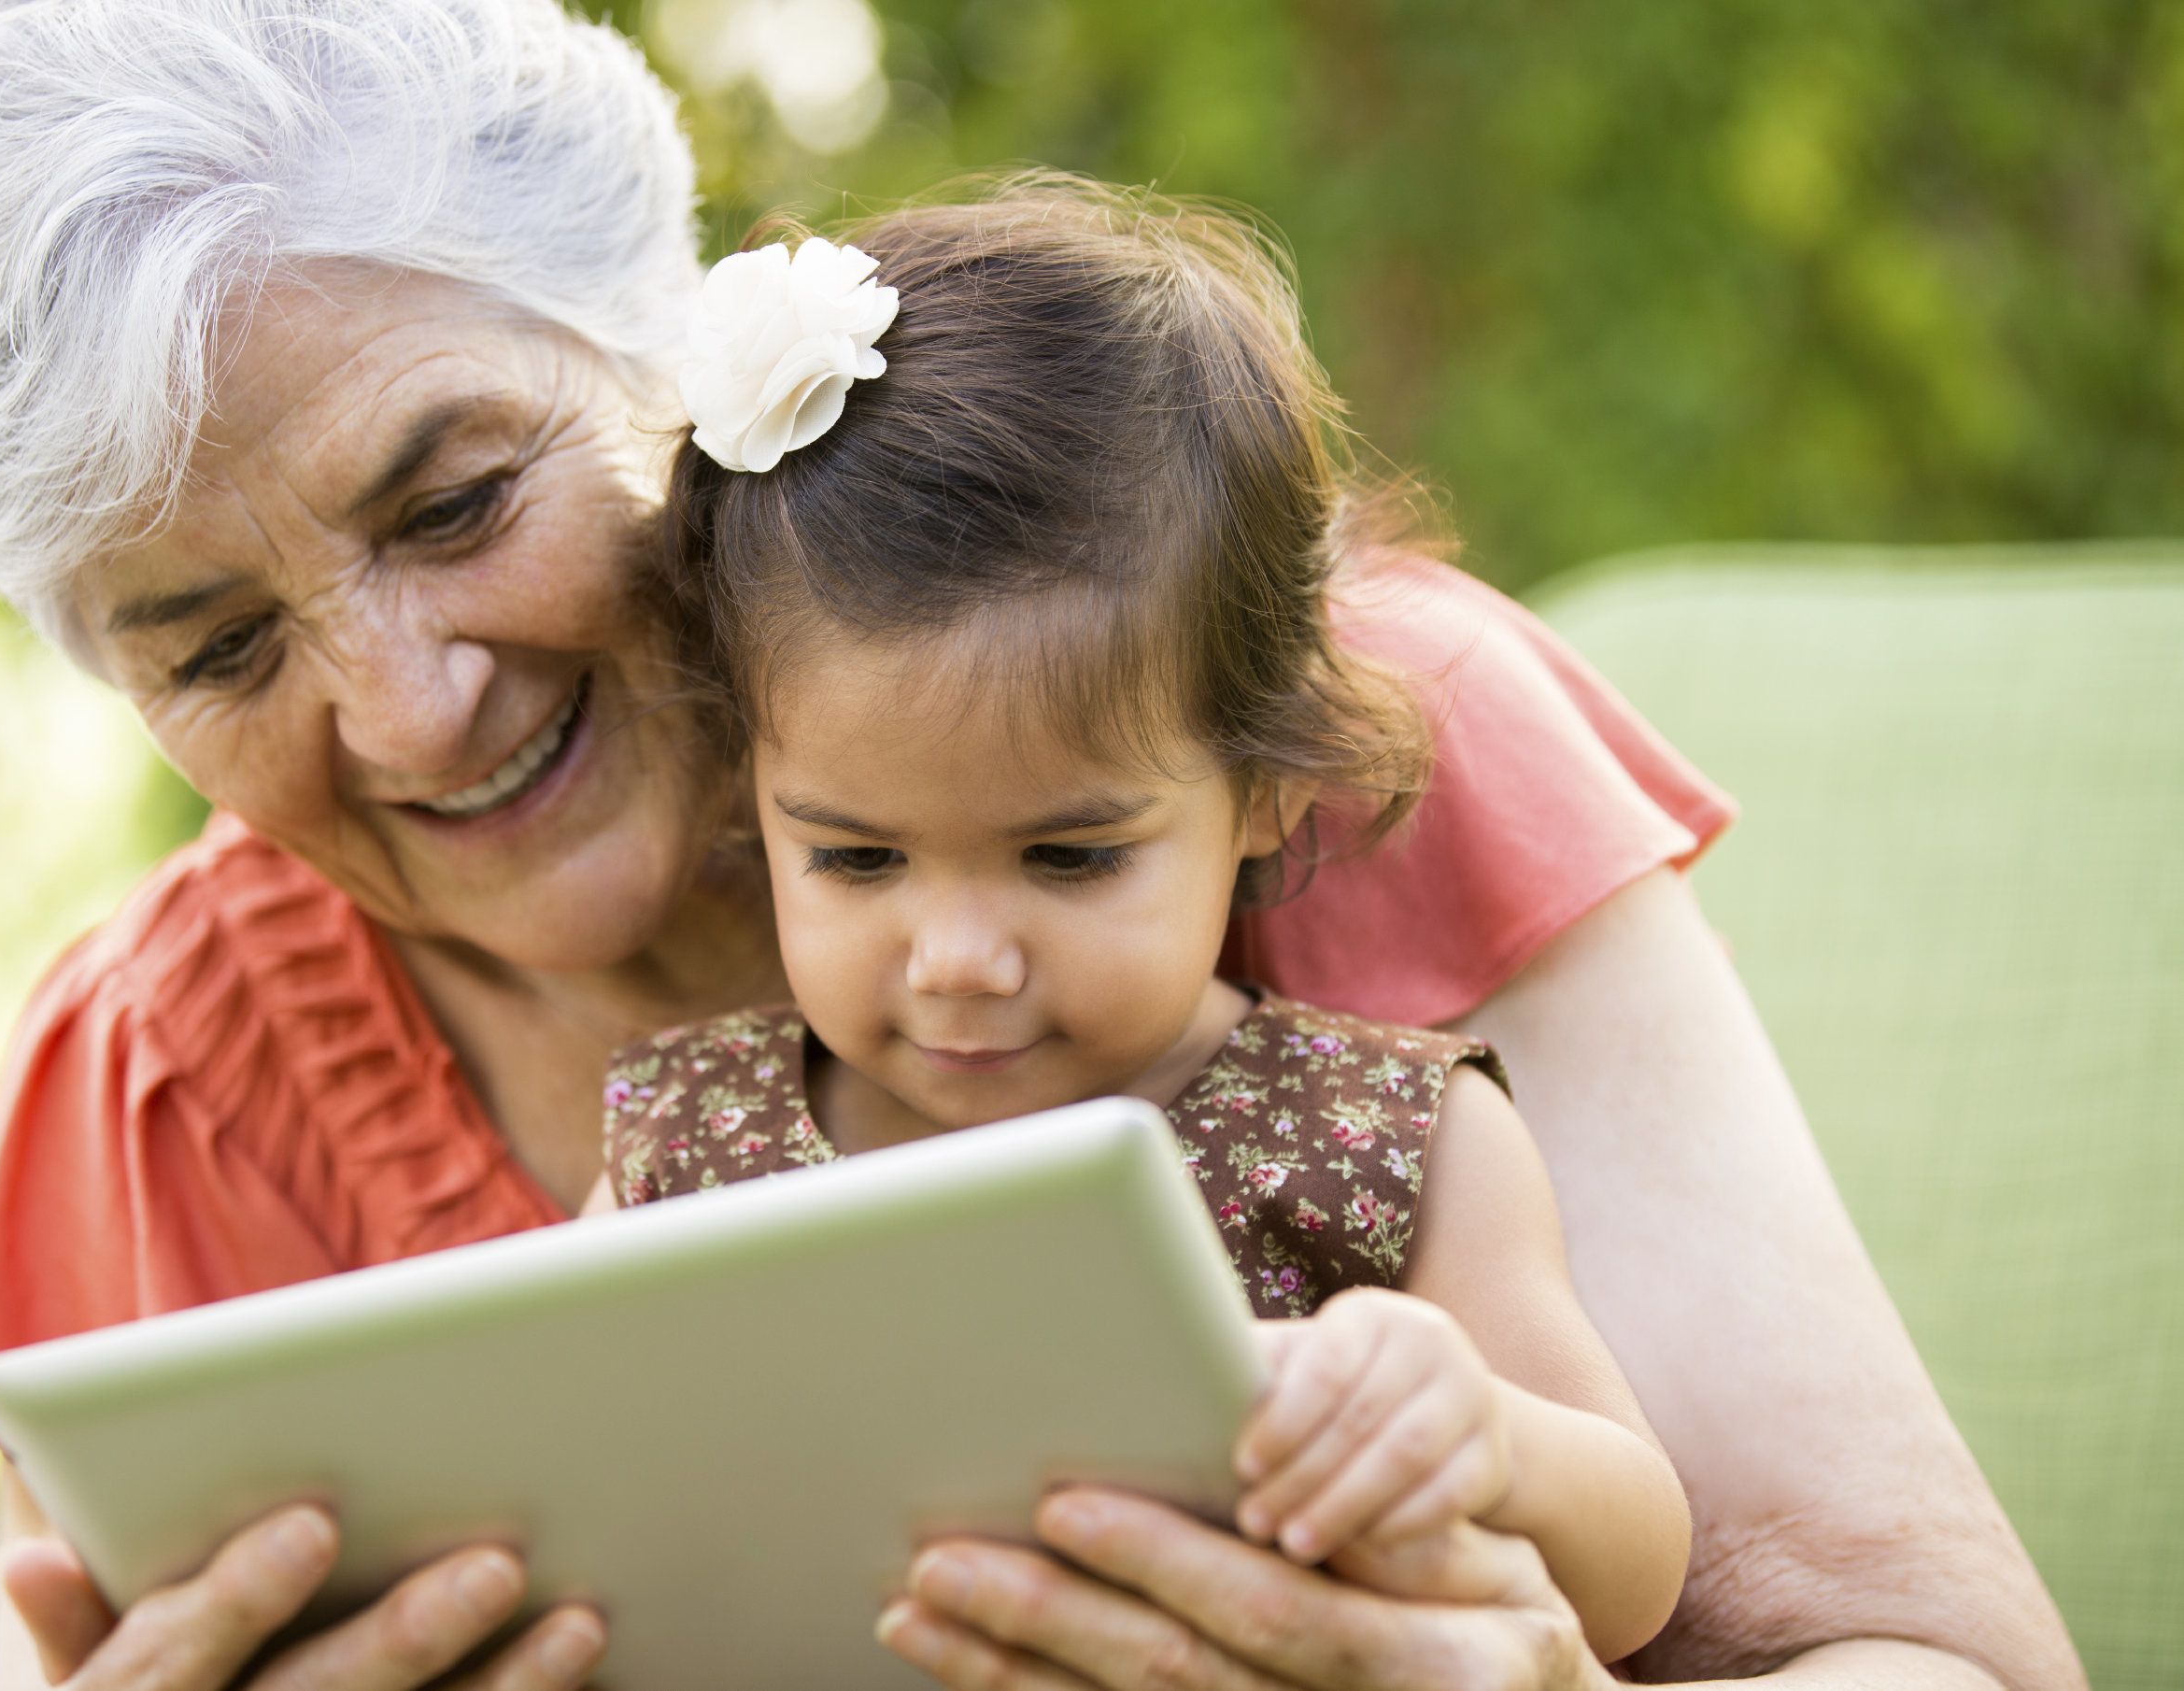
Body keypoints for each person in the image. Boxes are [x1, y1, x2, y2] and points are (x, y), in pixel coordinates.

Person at [0, 4, 2080, 1690]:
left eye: (460, 499)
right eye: (209, 646)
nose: (407, 702)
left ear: (666, 357)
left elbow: (1933, 1655)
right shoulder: (166, 1080)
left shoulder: (1356, 737)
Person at [598, 185, 1694, 1663]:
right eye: (858, 859)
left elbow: (1637, 1570)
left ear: (1266, 786)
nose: (960, 958)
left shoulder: (1379, 1141)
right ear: (754, 789)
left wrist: (1472, 1427)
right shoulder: (684, 1155)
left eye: (1066, 855)